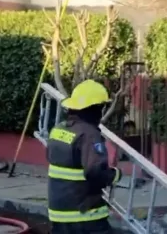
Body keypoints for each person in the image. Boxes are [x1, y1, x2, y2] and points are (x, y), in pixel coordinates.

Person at [47, 80, 122, 234]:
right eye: (100, 107)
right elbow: (96, 172)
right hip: (84, 214)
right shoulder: (88, 134)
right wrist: (115, 175)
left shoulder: (58, 129)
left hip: (59, 213)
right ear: (93, 109)